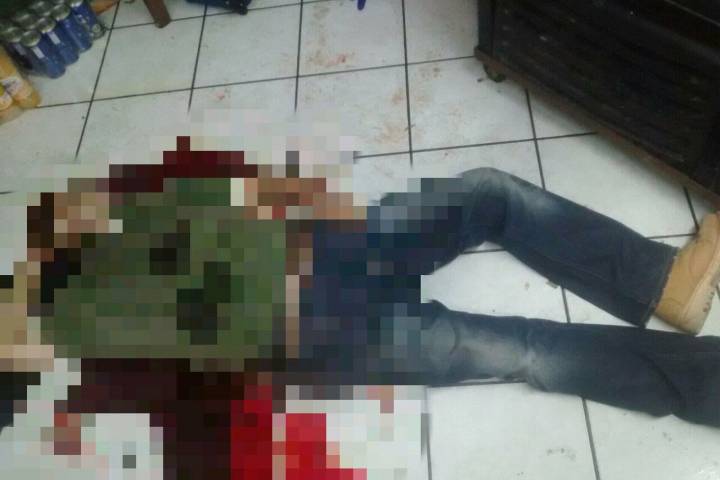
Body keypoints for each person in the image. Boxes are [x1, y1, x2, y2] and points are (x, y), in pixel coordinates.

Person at [2, 143, 720, 464]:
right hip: (323, 334)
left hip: (325, 251)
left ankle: (665, 284)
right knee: (527, 349)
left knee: (487, 191)